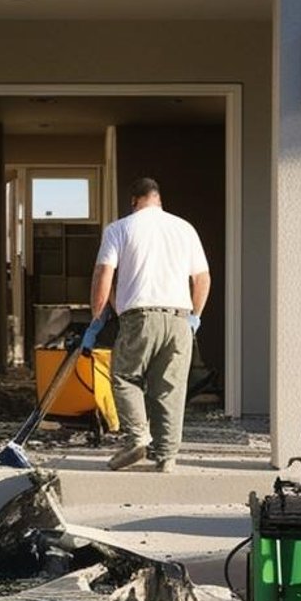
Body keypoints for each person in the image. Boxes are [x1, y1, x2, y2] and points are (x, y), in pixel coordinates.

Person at [83, 177, 210, 473]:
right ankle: (166, 457)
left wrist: (96, 319)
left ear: (133, 201)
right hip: (180, 318)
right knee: (169, 388)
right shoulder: (184, 228)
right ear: (159, 200)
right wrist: (195, 317)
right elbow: (202, 278)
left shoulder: (119, 229)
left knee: (125, 378)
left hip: (139, 319)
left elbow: (103, 276)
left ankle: (138, 438)